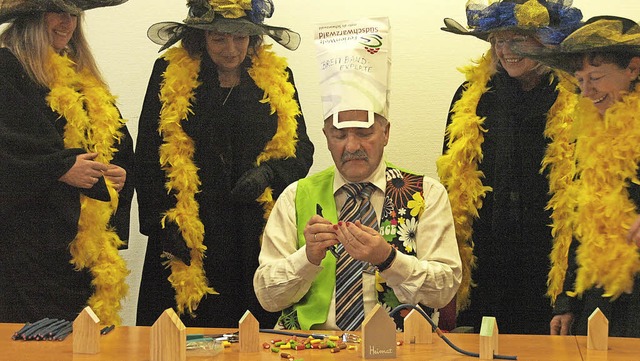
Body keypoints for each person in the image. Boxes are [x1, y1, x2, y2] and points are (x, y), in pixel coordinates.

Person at [254, 17, 461, 331]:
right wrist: (306, 258)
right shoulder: (296, 196)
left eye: (364, 133)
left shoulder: (426, 194)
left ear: (386, 132)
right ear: (325, 136)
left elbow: (444, 289)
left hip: (399, 349)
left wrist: (388, 259)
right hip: (310, 349)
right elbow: (267, 297)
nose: (351, 146)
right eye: (339, 135)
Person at [135, 0, 313, 328]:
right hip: (187, 231)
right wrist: (161, 227)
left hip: (251, 233)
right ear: (199, 37)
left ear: (254, 37)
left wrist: (268, 174)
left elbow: (300, 151)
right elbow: (147, 155)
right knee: (178, 335)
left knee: (251, 334)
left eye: (240, 38)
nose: (231, 49)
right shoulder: (168, 74)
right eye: (219, 38)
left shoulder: (277, 77)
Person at [437, 0, 582, 334]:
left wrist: (572, 296)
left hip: (550, 282)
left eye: (517, 39)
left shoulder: (578, 96)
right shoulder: (470, 98)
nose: (505, 50)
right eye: (497, 40)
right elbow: (452, 187)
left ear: (547, 38)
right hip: (486, 278)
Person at [0, 0, 133, 325]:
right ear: (32, 16)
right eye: (58, 12)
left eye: (74, 14)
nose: (67, 22)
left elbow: (111, 140)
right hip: (26, 248)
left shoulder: (79, 74)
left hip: (80, 246)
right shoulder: (6, 67)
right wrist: (58, 169)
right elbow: (9, 148)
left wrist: (112, 171)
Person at [514, 15, 640, 337]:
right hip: (602, 297)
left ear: (634, 69)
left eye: (596, 77)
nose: (587, 91)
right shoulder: (593, 131)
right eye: (580, 80)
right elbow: (583, 224)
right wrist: (567, 302)